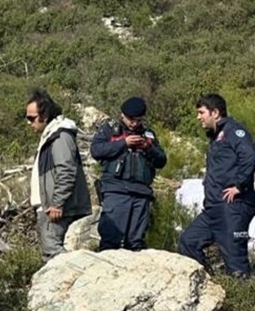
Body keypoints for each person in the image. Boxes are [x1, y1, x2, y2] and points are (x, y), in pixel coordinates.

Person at [179, 94, 255, 276]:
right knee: (188, 241)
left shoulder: (235, 131)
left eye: (201, 112)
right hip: (213, 208)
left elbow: (250, 157)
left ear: (215, 112)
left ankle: (243, 300)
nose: (198, 117)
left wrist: (239, 186)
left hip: (233, 207)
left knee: (236, 263)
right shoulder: (216, 137)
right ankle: (210, 286)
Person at [91, 97, 167, 250]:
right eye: (131, 119)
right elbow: (96, 150)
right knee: (110, 240)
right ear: (122, 115)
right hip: (116, 190)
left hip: (141, 194)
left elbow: (162, 160)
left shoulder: (149, 134)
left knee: (136, 243)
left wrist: (148, 148)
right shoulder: (109, 129)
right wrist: (123, 143)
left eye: (138, 120)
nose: (134, 123)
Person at [26, 89, 92, 261]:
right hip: (51, 206)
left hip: (54, 209)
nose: (29, 123)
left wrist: (57, 203)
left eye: (31, 118)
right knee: (53, 253)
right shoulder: (53, 135)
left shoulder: (60, 136)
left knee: (54, 255)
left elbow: (66, 170)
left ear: (44, 115)